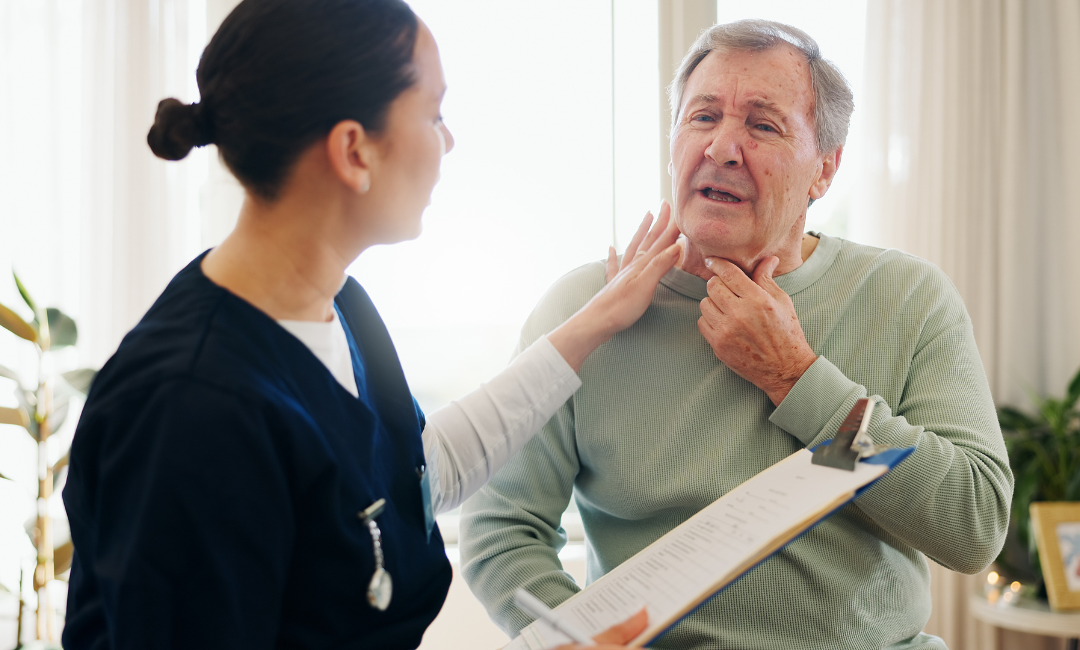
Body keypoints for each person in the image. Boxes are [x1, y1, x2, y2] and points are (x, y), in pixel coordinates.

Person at [60, 1, 680, 648]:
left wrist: (597, 320)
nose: (449, 141)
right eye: (435, 113)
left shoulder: (340, 306)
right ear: (354, 150)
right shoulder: (191, 409)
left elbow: (408, 477)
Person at [460, 19, 1013, 650]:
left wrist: (798, 378)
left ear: (823, 171)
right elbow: (501, 527)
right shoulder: (588, 308)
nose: (722, 147)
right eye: (702, 117)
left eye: (762, 124)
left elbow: (973, 525)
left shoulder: (909, 297)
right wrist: (584, 641)